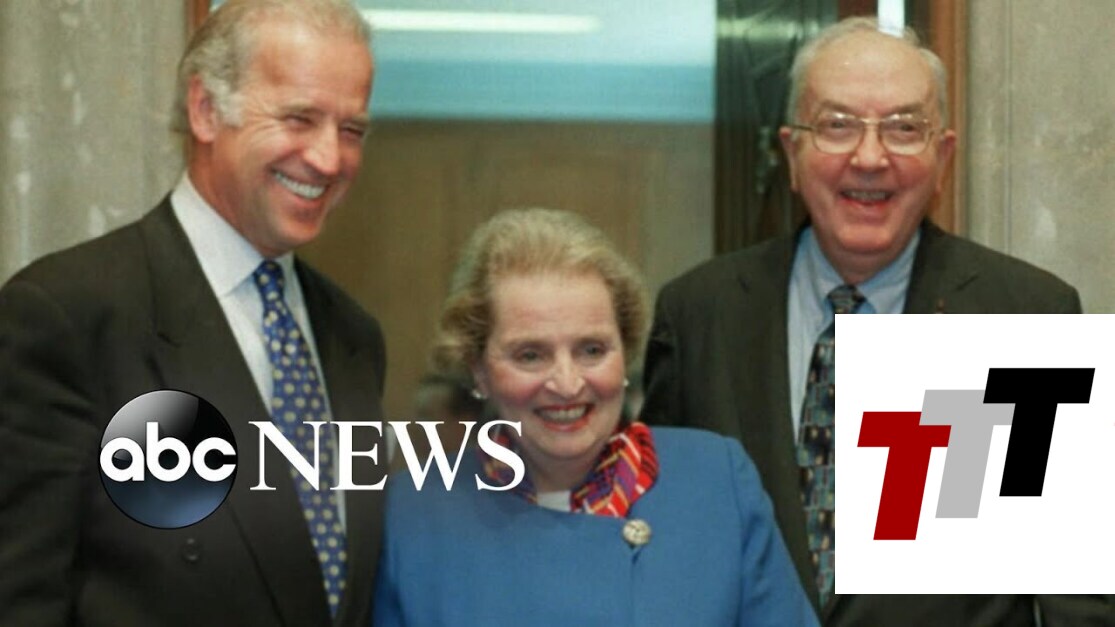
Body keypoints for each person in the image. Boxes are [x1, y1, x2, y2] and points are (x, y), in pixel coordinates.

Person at [641, 15, 1114, 627]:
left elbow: (1079, 598)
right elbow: (660, 553)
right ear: (792, 151)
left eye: (904, 128)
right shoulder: (699, 314)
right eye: (837, 125)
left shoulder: (1026, 317)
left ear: (943, 157)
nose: (869, 157)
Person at [0, 1, 387, 625]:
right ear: (206, 110)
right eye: (299, 118)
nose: (328, 158)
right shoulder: (70, 316)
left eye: (352, 130)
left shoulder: (353, 337)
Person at [373, 208, 818, 626]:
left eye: (592, 350)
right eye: (530, 355)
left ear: (626, 352)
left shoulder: (716, 482)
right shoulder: (414, 512)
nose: (567, 384)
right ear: (479, 370)